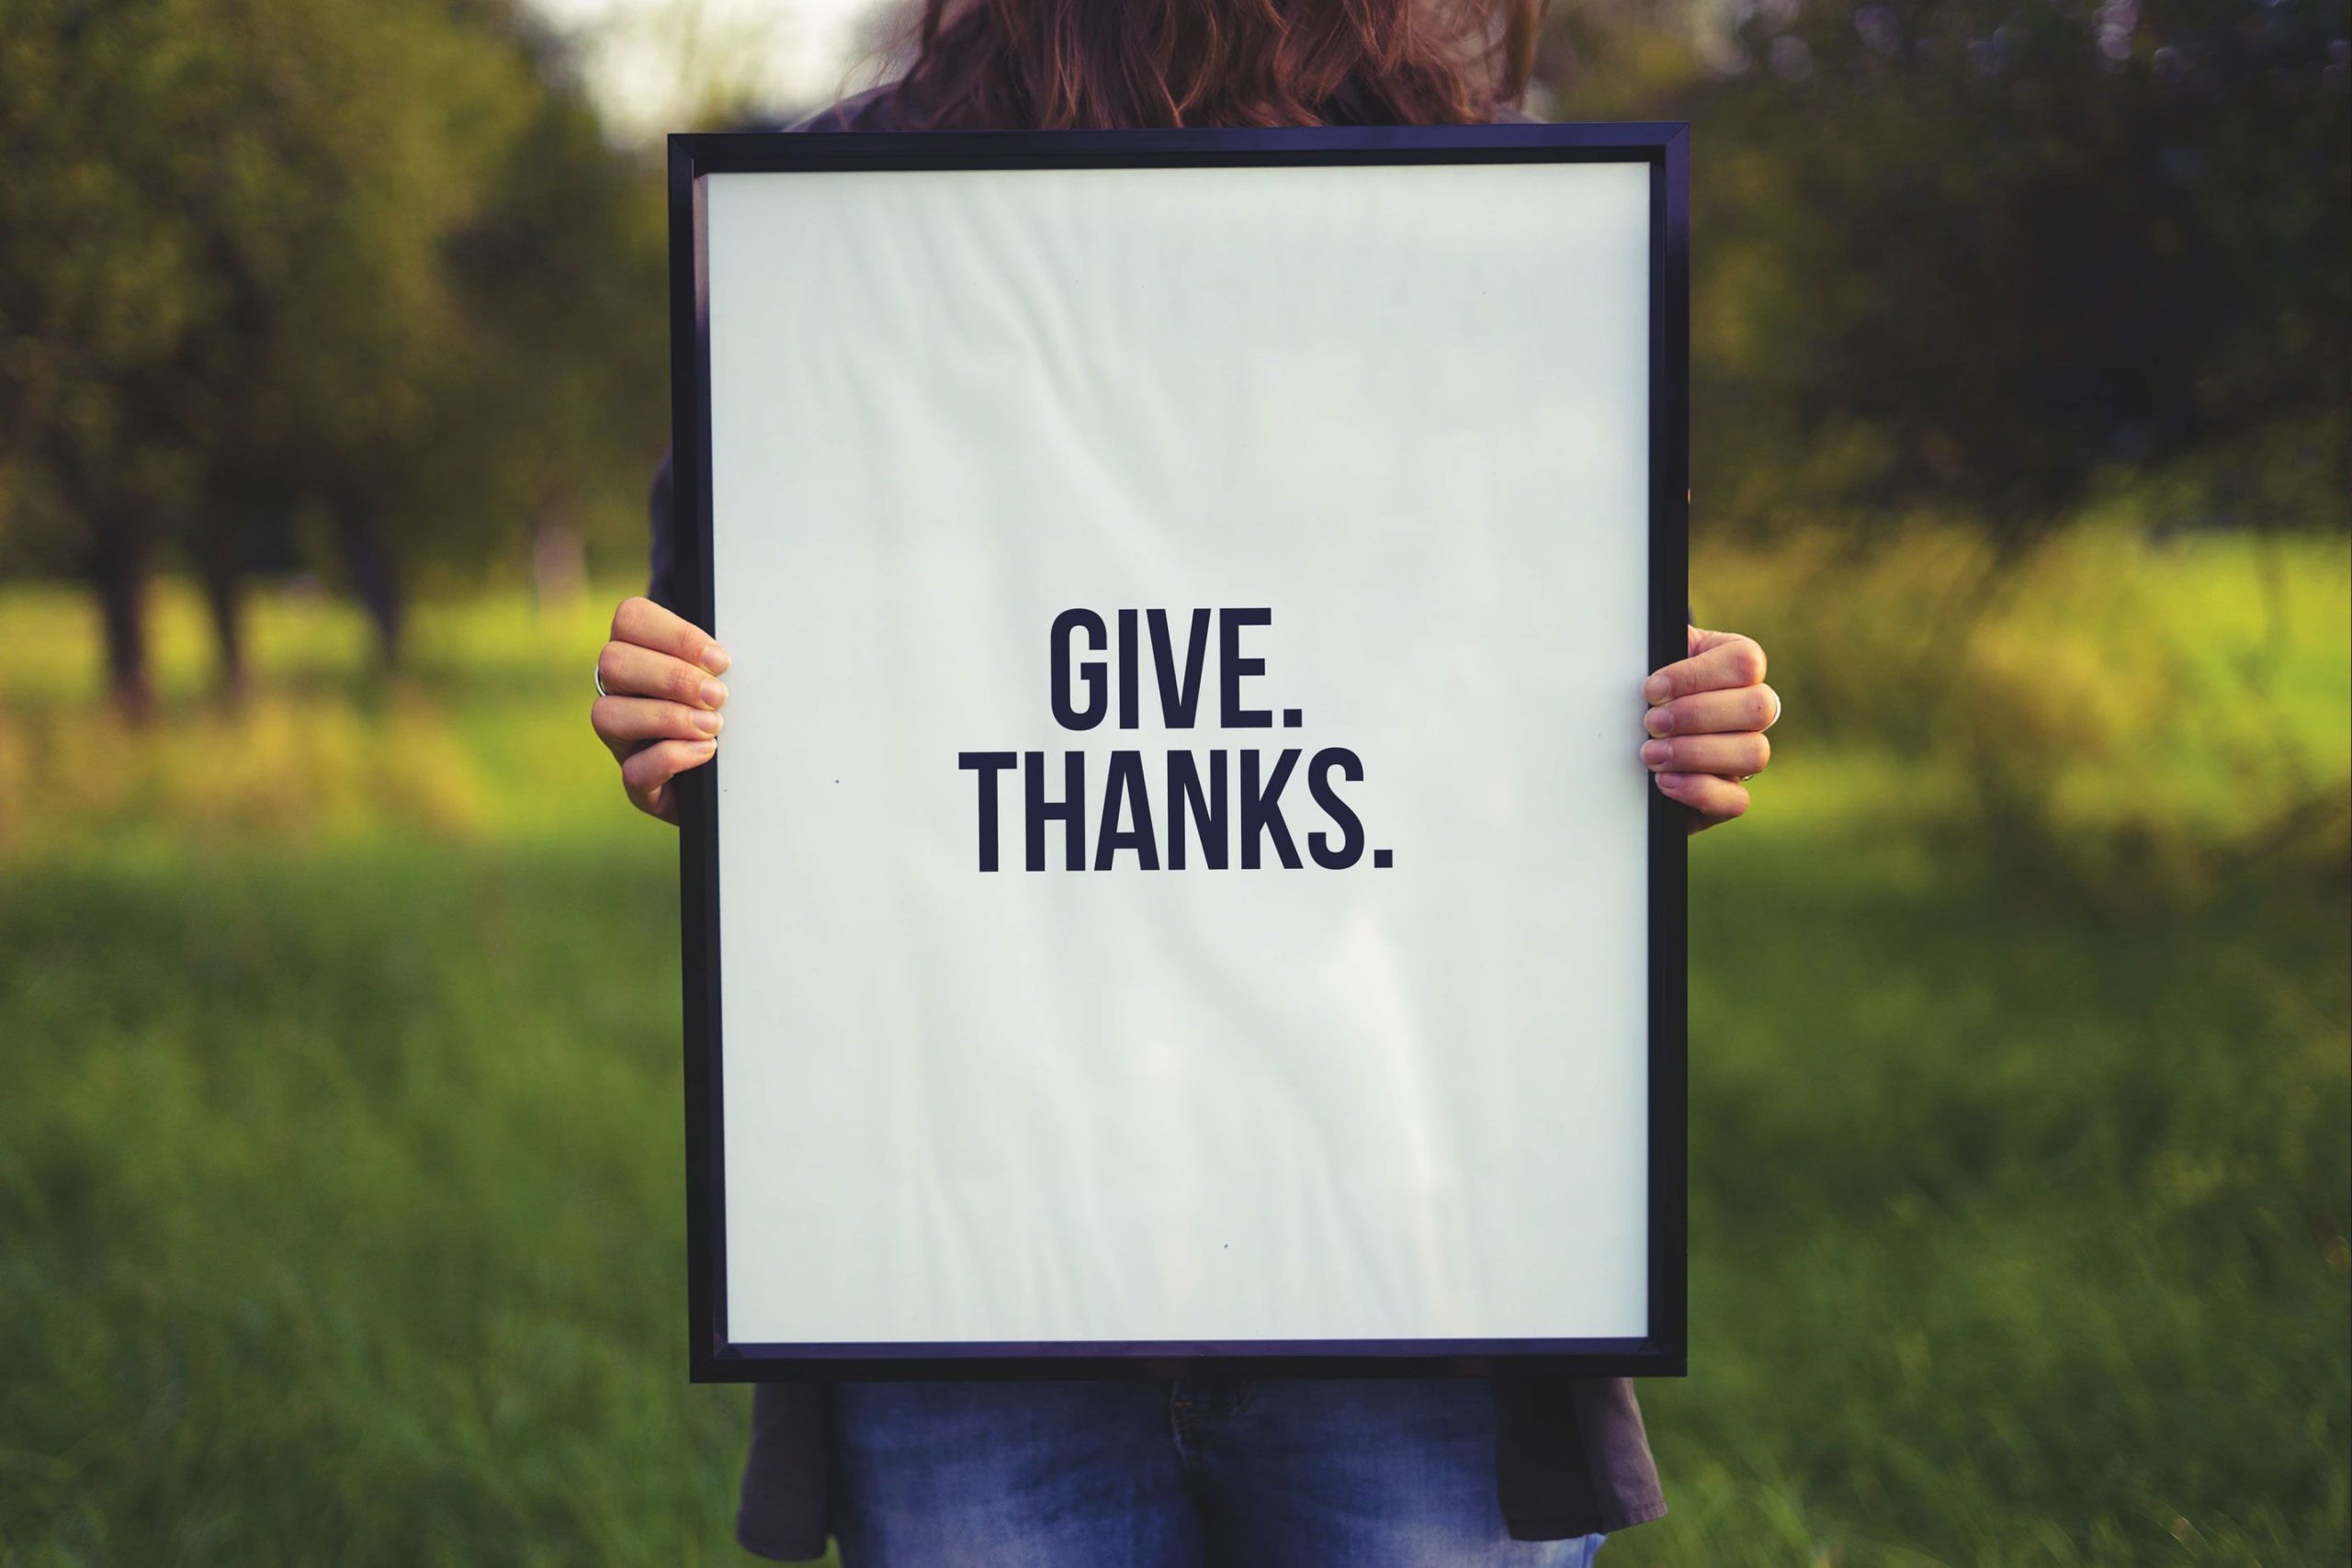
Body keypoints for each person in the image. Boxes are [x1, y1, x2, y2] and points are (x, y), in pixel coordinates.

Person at [591, 2, 1780, 1562]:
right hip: (970, 1252)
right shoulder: (838, 219)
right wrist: (672, 717)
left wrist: (1662, 727)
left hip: (1400, 1244)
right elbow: (761, 685)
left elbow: (1517, 668)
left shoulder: (1488, 214)